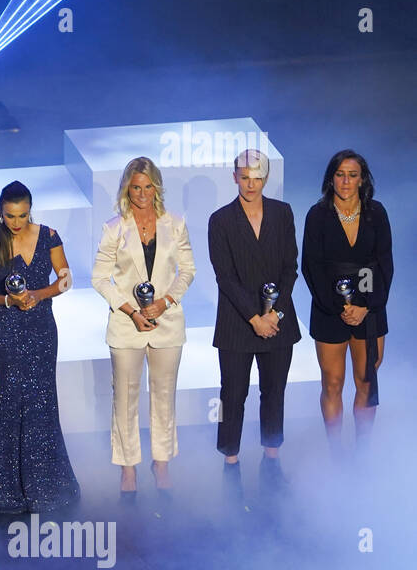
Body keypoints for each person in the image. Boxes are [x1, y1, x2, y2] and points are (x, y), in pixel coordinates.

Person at [0, 180, 80, 513]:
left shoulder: (49, 237)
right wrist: (7, 300)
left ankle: (47, 483)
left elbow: (65, 278)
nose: (16, 222)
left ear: (30, 211)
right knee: (12, 401)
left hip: (43, 328)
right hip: (9, 332)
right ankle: (5, 486)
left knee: (43, 399)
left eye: (22, 215)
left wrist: (37, 295)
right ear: (1, 214)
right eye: (10, 216)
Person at [91, 158, 196, 495]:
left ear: (156, 188)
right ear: (127, 188)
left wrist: (165, 301)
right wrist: (131, 310)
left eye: (147, 187)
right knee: (125, 397)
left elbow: (188, 271)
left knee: (165, 396)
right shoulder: (114, 227)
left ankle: (161, 463)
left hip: (167, 323)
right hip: (126, 324)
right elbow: (99, 278)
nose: (141, 193)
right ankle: (128, 469)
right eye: (135, 187)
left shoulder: (175, 224)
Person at [208, 149, 301, 487]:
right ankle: (230, 461)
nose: (250, 184)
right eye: (244, 177)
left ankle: (271, 457)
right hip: (236, 321)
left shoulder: (282, 212)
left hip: (278, 321)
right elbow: (225, 277)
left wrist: (274, 314)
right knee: (232, 393)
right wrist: (254, 317)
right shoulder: (220, 220)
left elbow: (290, 268)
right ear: (235, 177)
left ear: (266, 178)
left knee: (274, 391)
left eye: (257, 177)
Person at [301, 149, 391, 454]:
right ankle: (337, 454)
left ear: (362, 179)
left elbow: (384, 264)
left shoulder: (376, 212)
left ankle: (362, 453)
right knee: (333, 382)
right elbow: (310, 267)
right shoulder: (317, 214)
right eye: (340, 174)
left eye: (352, 175)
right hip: (329, 310)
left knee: (367, 380)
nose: (346, 181)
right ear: (331, 178)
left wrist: (367, 306)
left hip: (370, 307)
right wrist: (339, 308)